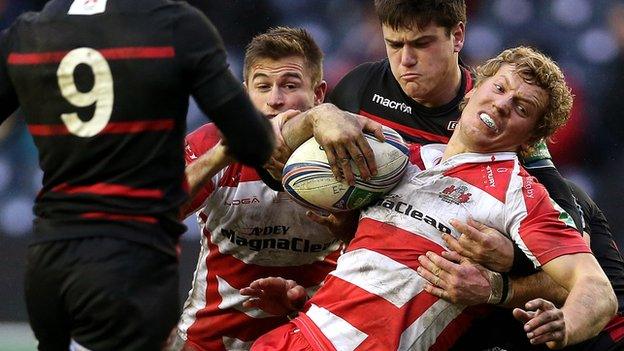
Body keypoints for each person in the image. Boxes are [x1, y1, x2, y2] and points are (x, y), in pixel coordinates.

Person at [244, 46, 617, 351]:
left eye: (522, 108)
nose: (504, 104)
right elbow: (270, 151)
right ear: (473, 90)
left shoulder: (521, 194)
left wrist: (565, 324)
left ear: (529, 139)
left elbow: (598, 290)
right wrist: (319, 115)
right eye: (500, 88)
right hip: (293, 335)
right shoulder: (399, 159)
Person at [0, 0, 274, 350]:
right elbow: (253, 143)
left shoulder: (27, 33)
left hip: (48, 261)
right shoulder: (176, 26)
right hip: (131, 260)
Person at [167, 27, 351, 351]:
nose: (274, 100)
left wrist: (345, 223)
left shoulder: (345, 152)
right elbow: (155, 212)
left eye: (290, 85)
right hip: (210, 341)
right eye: (262, 86)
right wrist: (222, 155)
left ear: (318, 94)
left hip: (309, 336)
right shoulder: (213, 143)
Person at [421, 179, 624, 351]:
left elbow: (569, 286)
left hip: (606, 337)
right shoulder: (439, 188)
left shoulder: (550, 193)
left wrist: (497, 288)